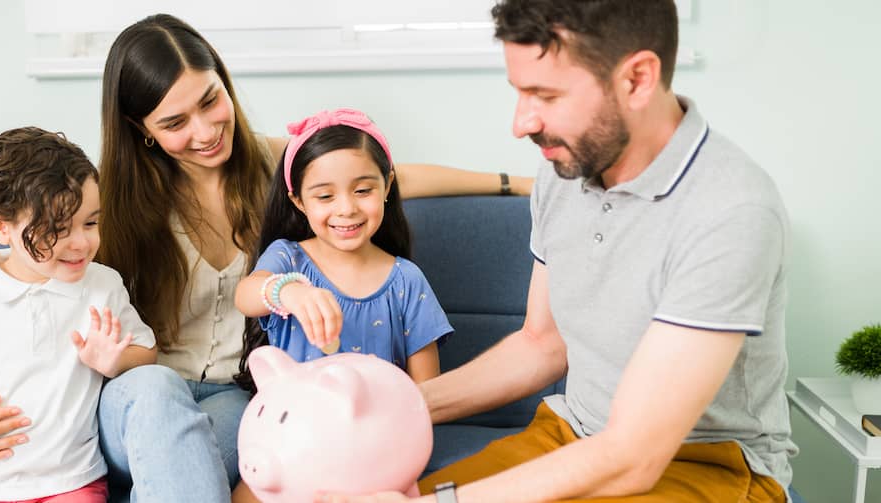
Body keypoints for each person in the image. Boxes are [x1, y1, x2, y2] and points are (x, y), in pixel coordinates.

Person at [0, 14, 532, 502]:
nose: (205, 130)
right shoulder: (107, 207)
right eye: (175, 123)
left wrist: (522, 184)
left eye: (211, 101)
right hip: (134, 399)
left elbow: (384, 175)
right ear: (142, 129)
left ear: (224, 83)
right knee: (157, 393)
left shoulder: (276, 168)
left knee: (218, 440)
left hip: (235, 397)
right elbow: (34, 298)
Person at [327, 1, 795, 502]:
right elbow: (543, 344)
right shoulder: (562, 173)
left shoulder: (730, 208)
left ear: (637, 79)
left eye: (544, 95)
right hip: (572, 433)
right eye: (519, 92)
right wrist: (401, 405)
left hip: (706, 463)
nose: (521, 123)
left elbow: (633, 456)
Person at [0, 127, 158, 502]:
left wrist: (114, 360)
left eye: (90, 222)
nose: (82, 243)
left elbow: (147, 350)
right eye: (57, 229)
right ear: (1, 226)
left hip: (70, 481)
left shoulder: (102, 285)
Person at [234, 108, 452, 383]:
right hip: (298, 423)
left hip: (381, 424)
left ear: (387, 186)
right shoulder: (288, 257)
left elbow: (427, 392)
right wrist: (287, 291)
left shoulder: (407, 281)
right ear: (299, 201)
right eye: (325, 196)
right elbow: (245, 296)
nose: (346, 209)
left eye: (362, 191)